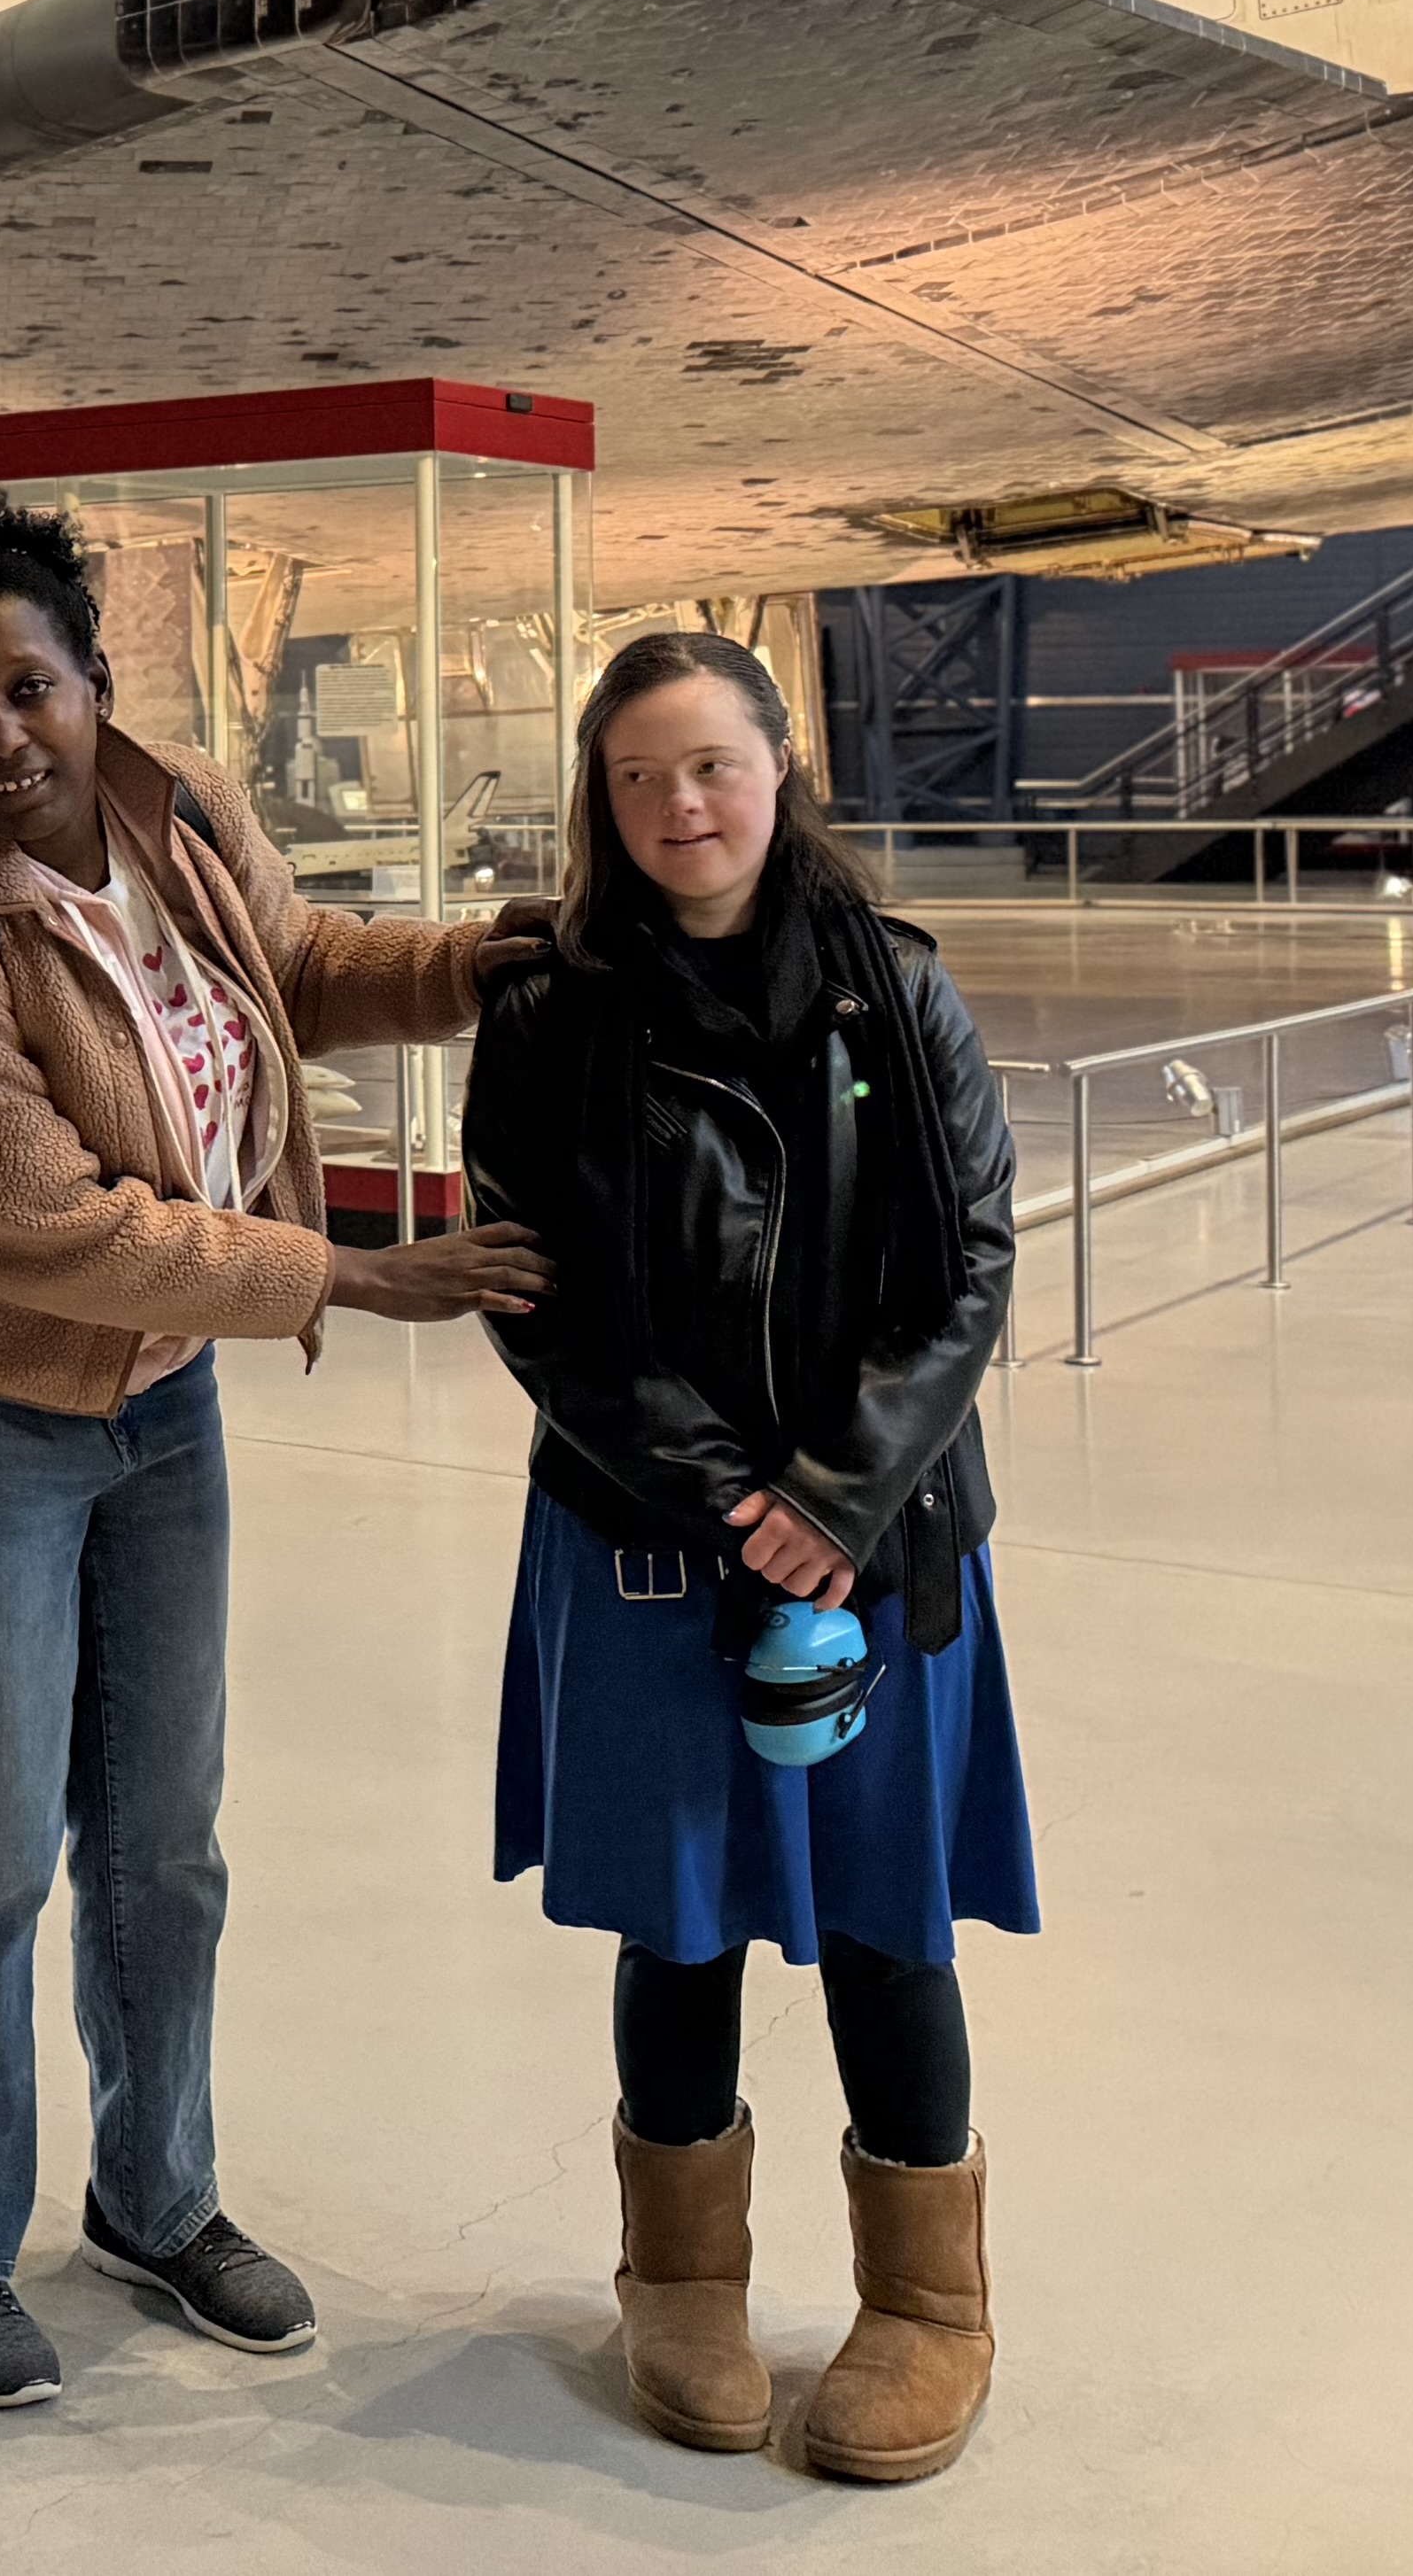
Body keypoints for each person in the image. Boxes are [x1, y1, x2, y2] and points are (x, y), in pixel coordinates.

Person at [0, 496, 542, 2414]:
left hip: (159, 1398)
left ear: (94, 680)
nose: (1, 736)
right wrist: (354, 1273)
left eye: (30, 688)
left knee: (164, 1836)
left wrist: (479, 962)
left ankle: (155, 2196)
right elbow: (43, 1224)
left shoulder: (186, 812)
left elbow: (294, 965)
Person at [462, 629, 1029, 2487]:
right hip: (649, 1534)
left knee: (886, 1910)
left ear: (782, 765)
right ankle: (682, 2279)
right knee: (681, 1911)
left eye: (710, 763)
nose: (677, 805)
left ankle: (930, 2301)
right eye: (637, 776)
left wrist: (835, 1497)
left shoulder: (896, 992)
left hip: (885, 1533)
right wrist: (728, 1498)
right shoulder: (547, 1014)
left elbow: (971, 1261)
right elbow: (533, 1290)